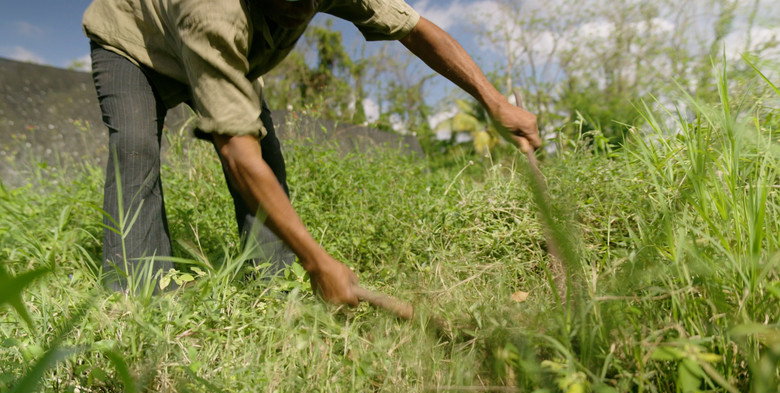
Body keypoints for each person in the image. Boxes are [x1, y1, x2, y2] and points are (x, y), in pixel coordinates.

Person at [83, 0, 542, 304]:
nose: (298, 8)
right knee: (136, 148)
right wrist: (319, 260)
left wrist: (495, 101)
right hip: (133, 40)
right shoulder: (213, 12)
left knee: (268, 152)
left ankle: (275, 283)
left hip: (217, 44)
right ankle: (139, 292)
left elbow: (417, 30)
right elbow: (238, 157)